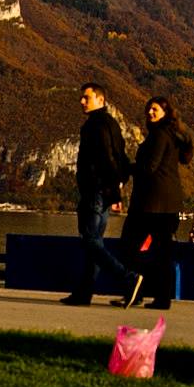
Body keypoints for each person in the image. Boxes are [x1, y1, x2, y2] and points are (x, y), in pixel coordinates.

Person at [62, 82, 141, 306]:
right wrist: (117, 189)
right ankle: (84, 293)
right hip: (105, 192)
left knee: (90, 241)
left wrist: (113, 192)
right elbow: (121, 158)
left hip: (95, 191)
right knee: (95, 242)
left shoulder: (94, 126)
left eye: (86, 97)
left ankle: (127, 277)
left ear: (100, 99)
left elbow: (107, 158)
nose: (82, 102)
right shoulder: (112, 124)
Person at [118, 96, 193, 309]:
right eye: (149, 109)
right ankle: (161, 297)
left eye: (155, 109)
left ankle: (138, 289)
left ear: (165, 112)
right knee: (162, 252)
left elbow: (150, 167)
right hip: (168, 204)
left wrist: (126, 169)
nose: (150, 112)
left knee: (129, 246)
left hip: (152, 204)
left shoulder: (159, 135)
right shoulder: (171, 135)